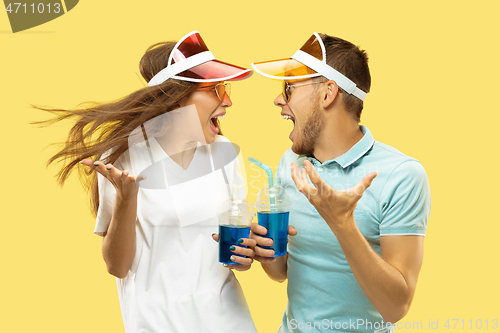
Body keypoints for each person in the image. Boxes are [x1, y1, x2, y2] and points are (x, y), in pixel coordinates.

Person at [38, 31, 257, 333]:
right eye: (215, 89)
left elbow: (237, 258)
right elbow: (117, 266)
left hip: (229, 322)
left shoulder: (225, 152)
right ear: (176, 98)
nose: (228, 100)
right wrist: (127, 198)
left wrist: (245, 256)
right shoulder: (121, 157)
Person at [249, 32, 431, 333]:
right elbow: (280, 273)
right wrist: (265, 249)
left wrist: (342, 222)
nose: (279, 99)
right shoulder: (291, 163)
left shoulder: (402, 175)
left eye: (290, 88)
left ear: (327, 93)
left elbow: (396, 307)